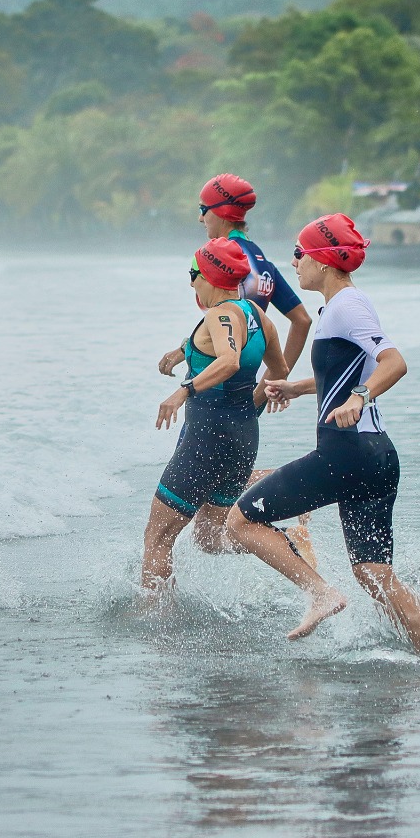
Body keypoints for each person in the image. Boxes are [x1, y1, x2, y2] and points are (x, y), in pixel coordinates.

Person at [225, 213, 420, 658]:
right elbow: (345, 374)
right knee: (374, 575)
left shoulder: (349, 304)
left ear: (324, 261)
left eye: (299, 253)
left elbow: (394, 363)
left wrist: (359, 398)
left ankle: (320, 593)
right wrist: (298, 386)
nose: (293, 263)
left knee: (241, 521)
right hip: (375, 455)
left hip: (348, 453)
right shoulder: (338, 309)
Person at [159, 174, 319, 566]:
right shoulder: (259, 259)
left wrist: (263, 385)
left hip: (219, 394)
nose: (201, 220)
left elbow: (228, 325)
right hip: (244, 393)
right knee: (209, 533)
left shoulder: (223, 255)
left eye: (203, 210)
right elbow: (298, 321)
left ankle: (276, 487)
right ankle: (274, 498)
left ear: (220, 211)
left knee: (171, 522)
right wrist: (272, 383)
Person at [142, 238, 290, 591]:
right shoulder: (258, 316)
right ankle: (288, 540)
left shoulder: (219, 314)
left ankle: (154, 621)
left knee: (157, 537)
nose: (190, 281)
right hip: (242, 437)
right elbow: (279, 370)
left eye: (193, 273)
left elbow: (228, 359)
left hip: (206, 439)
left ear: (210, 276)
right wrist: (183, 351)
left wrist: (184, 390)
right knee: (210, 537)